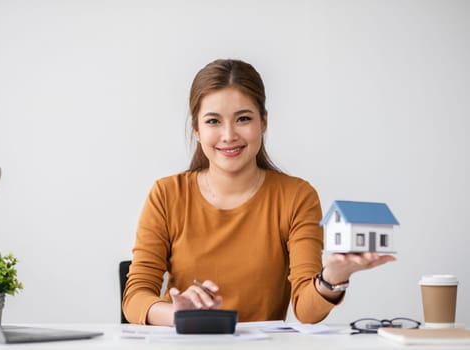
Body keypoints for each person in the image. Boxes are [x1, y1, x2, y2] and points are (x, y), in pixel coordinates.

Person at [123, 58, 395, 326]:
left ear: (263, 122)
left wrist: (333, 276)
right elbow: (135, 296)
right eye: (213, 121)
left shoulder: (296, 196)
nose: (229, 135)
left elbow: (307, 311)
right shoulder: (167, 194)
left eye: (243, 118)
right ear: (196, 129)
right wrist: (177, 315)